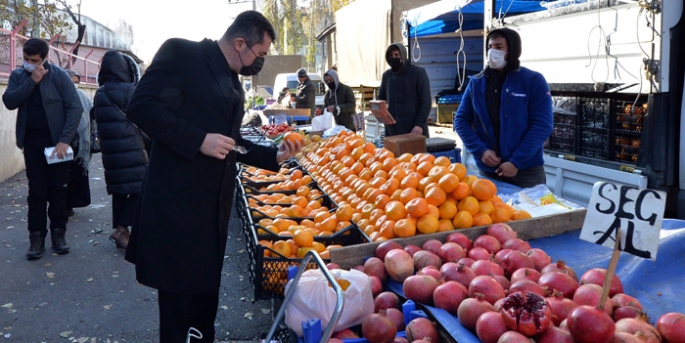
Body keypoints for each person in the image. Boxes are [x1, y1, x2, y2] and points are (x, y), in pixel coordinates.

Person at [123, 11, 301, 343]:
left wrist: (273, 155)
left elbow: (231, 138)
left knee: (204, 302)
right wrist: (197, 140)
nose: (259, 63)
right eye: (260, 55)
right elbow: (141, 106)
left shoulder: (232, 79)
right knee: (178, 305)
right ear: (239, 43)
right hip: (176, 205)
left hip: (211, 209)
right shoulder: (181, 53)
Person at [2, 38, 81, 260]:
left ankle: (59, 235)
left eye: (33, 60)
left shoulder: (59, 76)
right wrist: (32, 81)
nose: (28, 63)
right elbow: (9, 101)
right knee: (36, 192)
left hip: (58, 144)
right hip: (32, 143)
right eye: (25, 59)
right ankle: (36, 239)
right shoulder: (19, 76)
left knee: (58, 190)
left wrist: (64, 140)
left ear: (44, 58)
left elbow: (74, 107)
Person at [453, 27, 553, 188]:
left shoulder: (533, 81)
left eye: (499, 47)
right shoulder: (477, 83)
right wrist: (481, 150)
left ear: (512, 50)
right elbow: (461, 121)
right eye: (490, 47)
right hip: (489, 171)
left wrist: (515, 162)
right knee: (489, 213)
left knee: (530, 212)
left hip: (526, 172)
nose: (493, 52)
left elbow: (542, 125)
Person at [92, 51, 148, 249]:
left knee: (119, 191)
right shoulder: (128, 90)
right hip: (130, 149)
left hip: (110, 151)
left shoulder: (100, 92)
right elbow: (142, 117)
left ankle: (122, 234)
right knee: (141, 188)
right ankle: (121, 229)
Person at [377, 42, 431, 138]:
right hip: (392, 130)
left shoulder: (418, 73)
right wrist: (381, 114)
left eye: (396, 55)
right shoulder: (387, 76)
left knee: (416, 153)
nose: (393, 58)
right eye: (390, 56)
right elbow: (380, 98)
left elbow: (426, 102)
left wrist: (419, 124)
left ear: (403, 55)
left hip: (414, 129)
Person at [64, 69, 93, 217]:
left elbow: (91, 113)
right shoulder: (57, 96)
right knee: (59, 175)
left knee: (75, 175)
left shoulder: (82, 96)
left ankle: (70, 205)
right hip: (61, 142)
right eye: (71, 82)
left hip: (78, 143)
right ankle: (61, 205)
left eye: (76, 82)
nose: (74, 85)